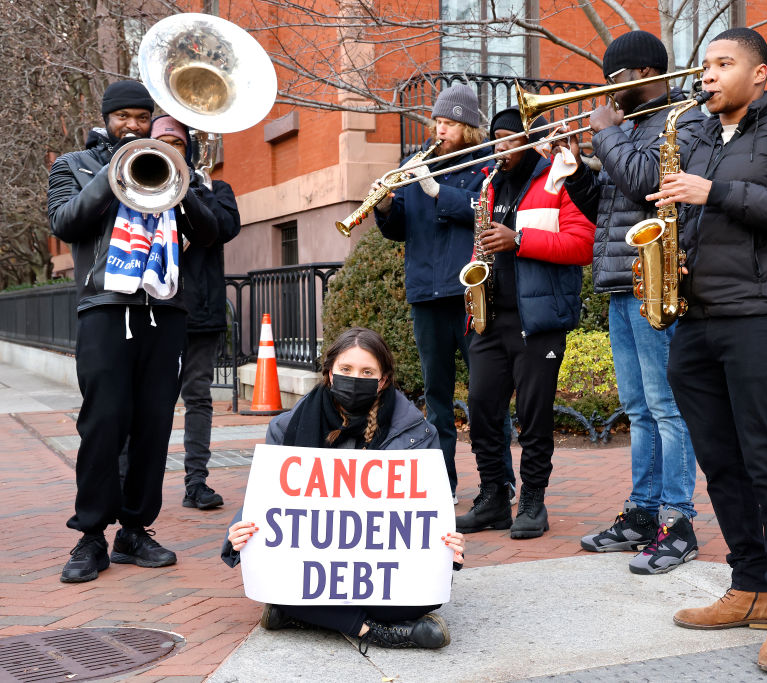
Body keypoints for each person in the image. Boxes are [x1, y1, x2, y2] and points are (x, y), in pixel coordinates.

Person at [647, 28, 767, 673]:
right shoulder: (697, 136)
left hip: (763, 315)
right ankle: (749, 584)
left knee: (766, 459)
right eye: (705, 65)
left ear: (759, 74)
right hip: (696, 319)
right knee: (720, 461)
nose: (709, 74)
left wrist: (714, 192)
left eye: (723, 64)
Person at [48, 80, 219, 583]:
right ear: (106, 119)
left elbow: (208, 234)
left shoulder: (172, 167)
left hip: (164, 312)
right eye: (122, 117)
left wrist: (182, 186)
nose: (132, 126)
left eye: (140, 118)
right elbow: (66, 222)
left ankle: (134, 530)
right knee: (103, 424)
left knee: (152, 426)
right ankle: (90, 536)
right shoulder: (74, 166)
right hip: (104, 309)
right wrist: (111, 175)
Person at [558, 31, 704, 574]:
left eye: (615, 81)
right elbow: (612, 207)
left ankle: (678, 522)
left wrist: (606, 136)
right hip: (622, 281)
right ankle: (642, 514)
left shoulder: (680, 121)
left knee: (667, 408)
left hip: (655, 284)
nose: (609, 94)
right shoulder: (631, 129)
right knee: (639, 409)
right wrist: (577, 176)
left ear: (644, 75)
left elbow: (647, 182)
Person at [223, 328, 463, 651]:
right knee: (276, 579)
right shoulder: (287, 427)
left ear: (383, 380)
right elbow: (269, 499)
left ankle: (301, 614)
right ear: (330, 375)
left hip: (378, 571)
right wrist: (238, 533)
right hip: (316, 567)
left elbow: (427, 511)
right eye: (346, 370)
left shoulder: (417, 434)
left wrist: (448, 545)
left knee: (414, 597)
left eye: (367, 372)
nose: (355, 378)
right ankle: (373, 631)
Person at [454, 109, 594, 539]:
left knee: (533, 415)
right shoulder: (491, 184)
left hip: (538, 322)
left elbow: (583, 244)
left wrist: (519, 239)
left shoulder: (556, 179)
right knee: (481, 411)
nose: (500, 146)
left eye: (508, 138)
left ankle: (532, 500)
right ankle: (494, 497)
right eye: (495, 138)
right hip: (490, 318)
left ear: (529, 142)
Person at [374, 83, 516, 506]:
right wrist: (384, 208)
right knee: (437, 398)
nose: (440, 129)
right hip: (426, 293)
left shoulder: (486, 165)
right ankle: (443, 486)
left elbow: (486, 211)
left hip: (468, 293)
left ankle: (499, 483)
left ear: (469, 127)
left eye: (449, 122)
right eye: (437, 121)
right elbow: (403, 228)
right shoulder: (416, 164)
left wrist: (439, 191)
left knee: (486, 395)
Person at [148, 115, 242, 511]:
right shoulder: (142, 187)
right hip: (156, 310)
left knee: (198, 397)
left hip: (200, 310)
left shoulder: (214, 189)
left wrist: (187, 188)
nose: (172, 146)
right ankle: (136, 485)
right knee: (151, 400)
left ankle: (196, 482)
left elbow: (224, 227)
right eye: (163, 141)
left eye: (179, 142)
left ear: (190, 148)